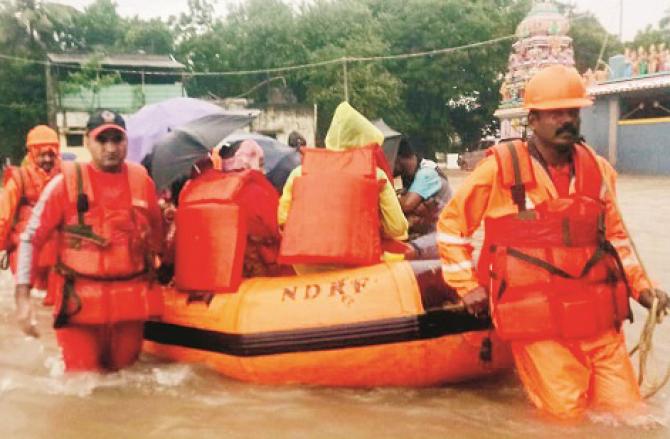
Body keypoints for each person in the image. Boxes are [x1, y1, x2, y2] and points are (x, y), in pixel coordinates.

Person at [437, 65, 669, 420]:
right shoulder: (499, 170)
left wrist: (643, 288)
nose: (566, 121)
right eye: (555, 113)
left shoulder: (599, 170)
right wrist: (466, 285)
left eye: (572, 112)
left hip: (596, 317)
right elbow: (452, 226)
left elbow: (616, 240)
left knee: (628, 413)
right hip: (537, 321)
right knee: (564, 418)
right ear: (533, 119)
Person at [14, 109, 164, 372]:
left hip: (129, 309)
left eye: (117, 140)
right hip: (79, 309)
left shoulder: (143, 182)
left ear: (126, 142)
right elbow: (30, 240)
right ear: (87, 142)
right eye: (101, 140)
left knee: (128, 386)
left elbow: (157, 236)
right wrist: (23, 298)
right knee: (84, 387)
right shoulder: (63, 185)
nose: (110, 148)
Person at [278, 102, 408, 274]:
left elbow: (282, 221)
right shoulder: (376, 175)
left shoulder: (299, 172)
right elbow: (397, 227)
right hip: (359, 269)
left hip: (307, 268)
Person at [0, 125, 61, 300]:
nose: (47, 159)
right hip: (27, 254)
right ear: (32, 153)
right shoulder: (19, 179)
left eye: (51, 154)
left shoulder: (65, 175)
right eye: (42, 155)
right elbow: (4, 215)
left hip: (57, 258)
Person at [394, 137, 452, 238]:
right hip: (432, 229)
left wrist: (390, 197)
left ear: (398, 159)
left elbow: (407, 205)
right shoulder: (410, 174)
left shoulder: (426, 173)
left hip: (441, 233)